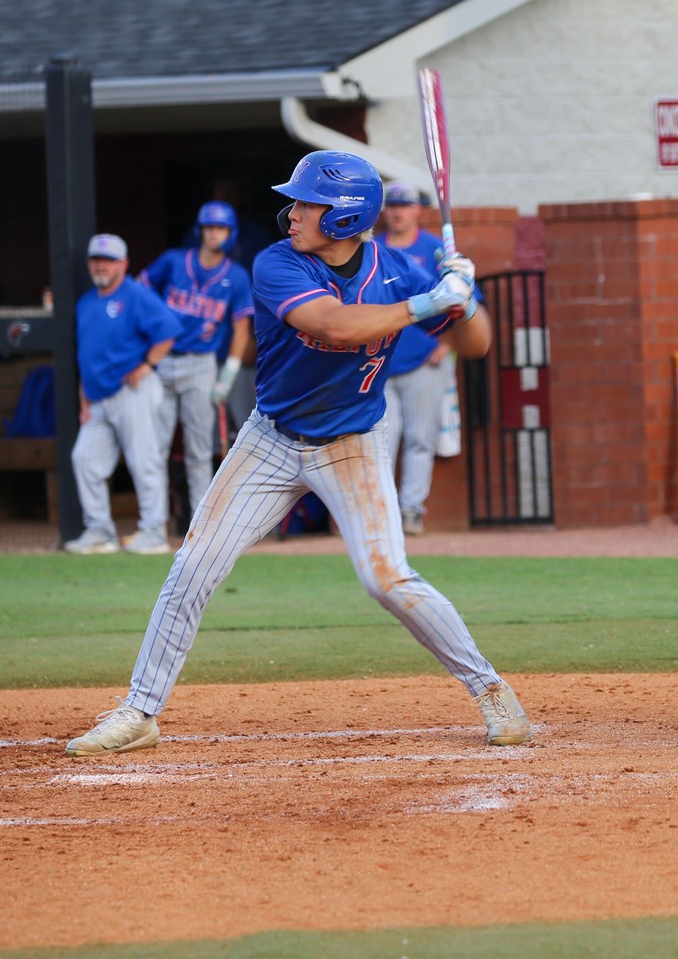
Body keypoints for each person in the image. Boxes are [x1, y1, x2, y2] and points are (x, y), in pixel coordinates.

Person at [65, 150, 531, 755]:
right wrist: (427, 303)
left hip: (355, 443)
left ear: (343, 217)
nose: (291, 213)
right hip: (271, 439)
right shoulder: (276, 264)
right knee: (193, 567)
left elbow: (478, 345)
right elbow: (335, 325)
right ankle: (140, 711)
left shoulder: (396, 272)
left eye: (308, 204)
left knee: (387, 578)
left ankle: (491, 690)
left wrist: (464, 297)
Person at [138, 201, 255, 522]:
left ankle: (199, 527)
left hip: (202, 364)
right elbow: (139, 291)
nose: (215, 234)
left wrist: (227, 376)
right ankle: (153, 525)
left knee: (199, 453)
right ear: (200, 230)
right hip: (162, 362)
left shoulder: (237, 276)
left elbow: (241, 329)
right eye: (210, 227)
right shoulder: (174, 261)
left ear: (231, 234)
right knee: (154, 449)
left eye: (221, 228)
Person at [64, 234, 180, 555]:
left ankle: (154, 531)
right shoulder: (86, 302)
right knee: (84, 458)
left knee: (145, 460)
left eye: (108, 260)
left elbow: (168, 330)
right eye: (96, 259)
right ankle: (100, 531)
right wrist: (83, 395)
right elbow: (85, 353)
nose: (100, 266)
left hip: (134, 390)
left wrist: (146, 366)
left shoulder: (135, 294)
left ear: (123, 264)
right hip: (97, 396)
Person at [377, 180, 456, 535]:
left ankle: (411, 510)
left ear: (417, 209)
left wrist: (448, 344)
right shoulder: (371, 248)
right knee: (382, 440)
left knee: (419, 438)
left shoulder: (434, 247)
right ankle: (382, 512)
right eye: (392, 205)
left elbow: (463, 301)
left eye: (404, 204)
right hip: (378, 362)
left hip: (424, 360)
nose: (397, 211)